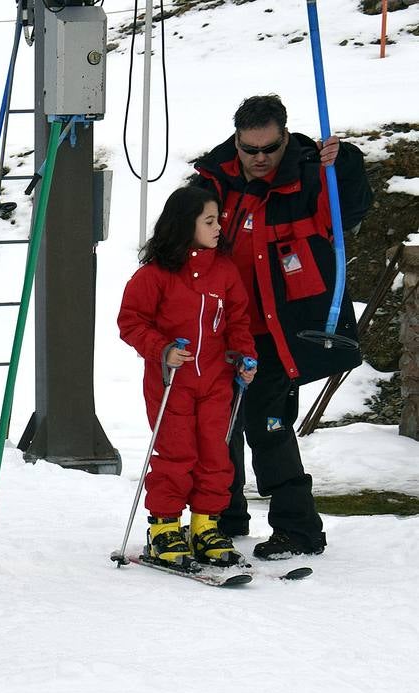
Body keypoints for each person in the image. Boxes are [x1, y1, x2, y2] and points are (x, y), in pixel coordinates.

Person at [192, 94, 373, 559]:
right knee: (218, 427)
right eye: (249, 148)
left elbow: (347, 212)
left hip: (276, 336)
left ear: (284, 137)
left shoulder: (312, 175)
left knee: (268, 427)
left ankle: (299, 529)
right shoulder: (214, 180)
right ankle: (222, 518)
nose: (258, 159)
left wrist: (345, 164)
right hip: (220, 330)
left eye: (268, 149)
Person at [119, 185, 258, 565]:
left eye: (219, 221)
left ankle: (205, 525)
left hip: (215, 380)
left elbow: (237, 320)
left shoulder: (224, 271)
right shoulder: (155, 275)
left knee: (216, 453)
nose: (218, 229)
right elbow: (131, 321)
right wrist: (162, 349)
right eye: (209, 221)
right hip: (171, 382)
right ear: (185, 225)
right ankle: (164, 527)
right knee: (177, 454)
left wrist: (245, 354)